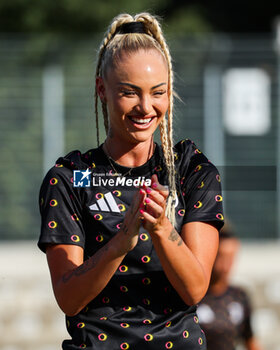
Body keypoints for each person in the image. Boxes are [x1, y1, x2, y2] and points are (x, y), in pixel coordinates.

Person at [38, 12, 224, 350]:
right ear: (102, 90)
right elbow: (69, 299)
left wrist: (161, 229)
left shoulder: (191, 170)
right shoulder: (70, 178)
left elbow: (195, 288)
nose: (145, 107)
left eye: (158, 92)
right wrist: (122, 240)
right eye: (129, 92)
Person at [197, 224, 263, 350]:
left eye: (231, 258)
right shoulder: (194, 296)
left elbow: (250, 340)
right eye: (222, 257)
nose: (226, 265)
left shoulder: (239, 295)